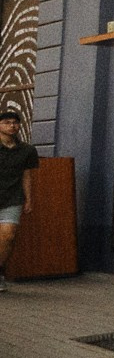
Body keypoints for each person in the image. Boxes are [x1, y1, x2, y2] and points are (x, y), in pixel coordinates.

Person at [0, 105, 38, 290]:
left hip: (13, 197)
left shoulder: (27, 150)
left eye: (15, 123)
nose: (12, 126)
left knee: (8, 236)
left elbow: (27, 175)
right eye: (7, 122)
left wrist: (29, 199)